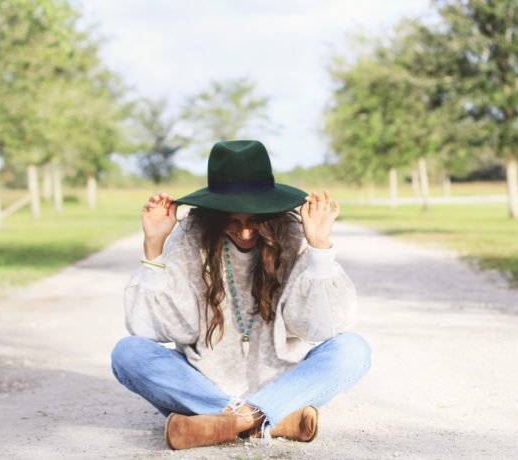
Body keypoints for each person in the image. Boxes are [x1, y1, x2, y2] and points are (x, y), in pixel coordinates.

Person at [111, 140, 371, 450]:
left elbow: (320, 326)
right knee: (128, 353)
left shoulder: (294, 236)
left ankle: (228, 422)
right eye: (232, 221)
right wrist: (154, 247)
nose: (245, 232)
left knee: (354, 349)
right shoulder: (190, 239)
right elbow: (163, 329)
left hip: (285, 385)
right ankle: (267, 422)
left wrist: (319, 249)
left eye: (254, 220)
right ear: (215, 217)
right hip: (203, 386)